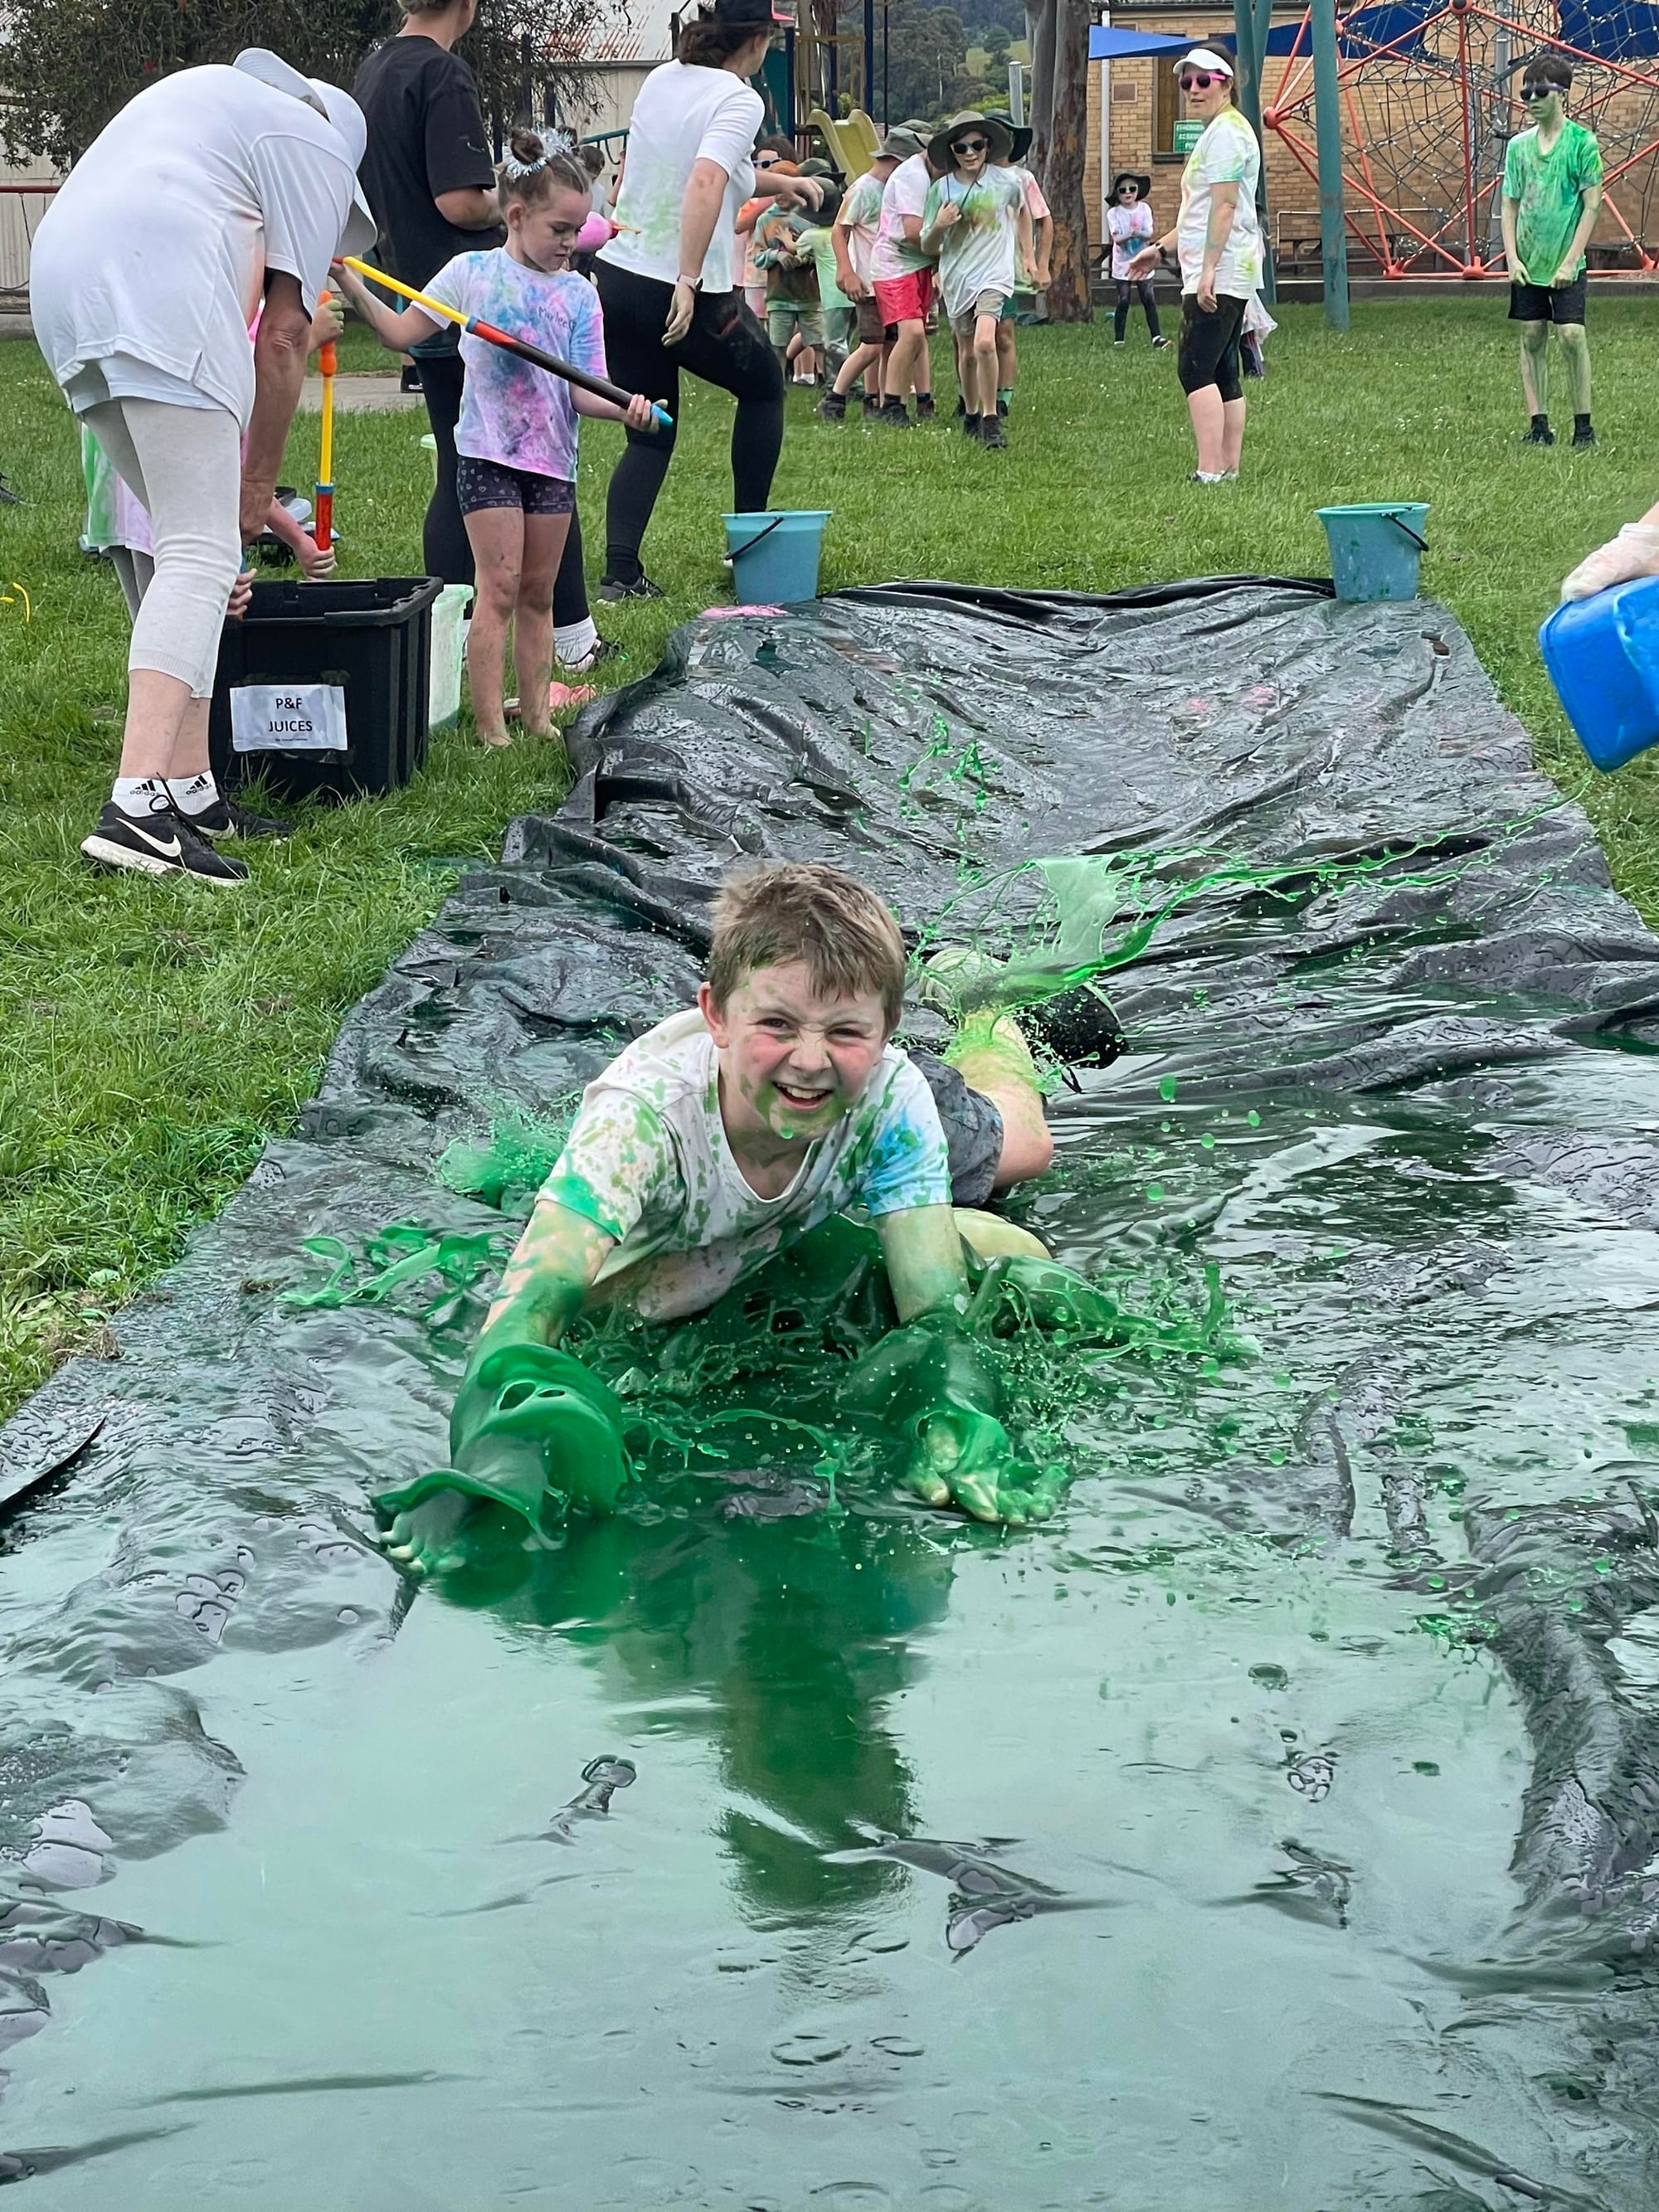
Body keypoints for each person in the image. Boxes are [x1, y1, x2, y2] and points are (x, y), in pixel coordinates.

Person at [382, 862, 1068, 1575]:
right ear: (716, 1013)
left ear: (889, 1031)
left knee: (1022, 1191)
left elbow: (936, 1314)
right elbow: (526, 1313)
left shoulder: (891, 1097)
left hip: (796, 1223)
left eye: (845, 1030)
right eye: (776, 1023)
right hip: (704, 1245)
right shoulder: (640, 1124)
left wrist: (955, 1409)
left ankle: (985, 1006)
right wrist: (498, 1455)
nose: (808, 1060)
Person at [30, 48, 376, 884]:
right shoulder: (319, 143)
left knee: (197, 554)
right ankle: (138, 804)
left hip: (62, 280)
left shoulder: (210, 104)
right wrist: (256, 487)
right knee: (202, 548)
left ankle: (189, 789)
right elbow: (288, 334)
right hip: (159, 281)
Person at [336, 132, 655, 746]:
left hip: (553, 463)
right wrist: (353, 286)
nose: (571, 243)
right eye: (561, 229)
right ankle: (491, 730)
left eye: (578, 230)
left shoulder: (580, 295)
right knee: (500, 589)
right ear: (516, 216)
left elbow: (587, 391)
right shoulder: (471, 275)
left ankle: (536, 720)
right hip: (488, 457)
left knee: (539, 592)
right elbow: (402, 333)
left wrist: (626, 410)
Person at [353, 0, 616, 677]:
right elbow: (459, 200)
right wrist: (527, 194)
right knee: (536, 455)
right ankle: (571, 636)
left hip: (413, 280)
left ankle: (450, 634)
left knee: (462, 463)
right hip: (482, 301)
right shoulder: (443, 74)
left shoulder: (374, 68)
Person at [594, 0, 825, 600]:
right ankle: (750, 546)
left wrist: (785, 183)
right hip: (682, 286)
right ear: (755, 41)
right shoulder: (740, 98)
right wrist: (689, 281)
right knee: (764, 386)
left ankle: (620, 573)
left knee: (650, 424)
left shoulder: (663, 80)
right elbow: (704, 180)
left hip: (620, 274)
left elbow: (713, 170)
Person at [1125, 48, 1265, 486]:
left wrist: (1207, 271)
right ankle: (1227, 468)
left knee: (1194, 366)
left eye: (1203, 80)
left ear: (1226, 83)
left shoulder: (1226, 133)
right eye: (1186, 83)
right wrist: (1161, 250)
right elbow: (1200, 212)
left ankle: (1210, 471)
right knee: (1222, 368)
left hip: (1222, 270)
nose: (1193, 90)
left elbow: (1224, 208)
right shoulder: (1221, 131)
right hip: (1227, 265)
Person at [1501, 52, 1603, 449]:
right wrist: (1512, 257)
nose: (1531, 99)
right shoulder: (1519, 148)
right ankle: (1539, 426)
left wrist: (1570, 260)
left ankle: (1584, 427)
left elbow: (1591, 205)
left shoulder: (1582, 143)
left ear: (1562, 94)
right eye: (1526, 91)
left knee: (1572, 335)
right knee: (1531, 335)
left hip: (1565, 262)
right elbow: (1509, 204)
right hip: (1529, 260)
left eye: (1540, 91)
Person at [921, 112, 1033, 450]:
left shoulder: (1007, 182)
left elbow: (1024, 212)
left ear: (988, 146)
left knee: (986, 342)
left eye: (977, 145)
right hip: (957, 278)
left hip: (995, 276)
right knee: (967, 352)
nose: (970, 153)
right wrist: (940, 224)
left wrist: (1028, 255)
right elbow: (928, 245)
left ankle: (990, 418)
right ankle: (970, 413)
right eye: (961, 147)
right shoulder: (942, 189)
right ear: (952, 151)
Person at [818, 129, 925, 423]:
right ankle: (835, 395)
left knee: (889, 344)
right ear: (894, 161)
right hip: (867, 282)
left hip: (888, 282)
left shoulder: (891, 189)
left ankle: (878, 400)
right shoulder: (864, 189)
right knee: (871, 346)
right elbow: (840, 231)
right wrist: (846, 271)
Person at [870, 128, 941, 427]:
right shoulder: (914, 176)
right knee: (911, 334)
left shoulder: (928, 174)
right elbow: (913, 233)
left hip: (917, 264)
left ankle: (902, 400)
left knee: (915, 336)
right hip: (895, 265)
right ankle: (892, 406)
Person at [984, 112, 1052, 416]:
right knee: (968, 337)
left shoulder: (1022, 179)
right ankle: (969, 395)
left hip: (1006, 268)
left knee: (1003, 331)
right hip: (973, 265)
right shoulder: (970, 177)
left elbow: (1042, 221)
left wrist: (1038, 261)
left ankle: (1004, 397)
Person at [752, 165, 827, 383]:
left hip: (809, 295)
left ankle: (828, 383)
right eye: (778, 189)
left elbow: (821, 250)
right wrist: (777, 256)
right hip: (779, 295)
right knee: (777, 343)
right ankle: (777, 384)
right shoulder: (765, 221)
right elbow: (757, 257)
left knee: (820, 341)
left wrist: (804, 257)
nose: (782, 195)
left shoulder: (808, 219)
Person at [736, 134, 796, 322]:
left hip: (791, 276)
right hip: (756, 274)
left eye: (769, 164)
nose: (763, 170)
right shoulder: (752, 199)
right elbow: (739, 226)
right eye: (757, 165)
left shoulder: (796, 200)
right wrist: (767, 200)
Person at [1106, 171, 1167, 349]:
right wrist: (1129, 234)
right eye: (1123, 190)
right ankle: (1119, 339)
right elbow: (1117, 238)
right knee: (1123, 300)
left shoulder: (1145, 209)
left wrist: (1137, 233)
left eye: (1132, 189)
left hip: (1143, 261)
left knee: (1148, 298)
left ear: (1137, 191)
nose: (1128, 193)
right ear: (1117, 193)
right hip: (1122, 263)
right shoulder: (1114, 213)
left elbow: (1149, 234)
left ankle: (1157, 337)